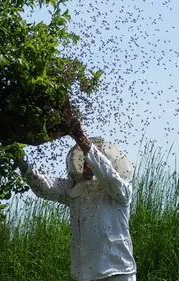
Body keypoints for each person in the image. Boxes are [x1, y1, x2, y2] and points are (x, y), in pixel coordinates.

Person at [15, 100, 137, 281]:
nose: (87, 165)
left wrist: (81, 138)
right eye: (85, 161)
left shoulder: (120, 190)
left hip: (117, 273)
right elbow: (44, 187)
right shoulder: (74, 190)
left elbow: (108, 175)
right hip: (85, 275)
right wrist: (21, 162)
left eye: (91, 160)